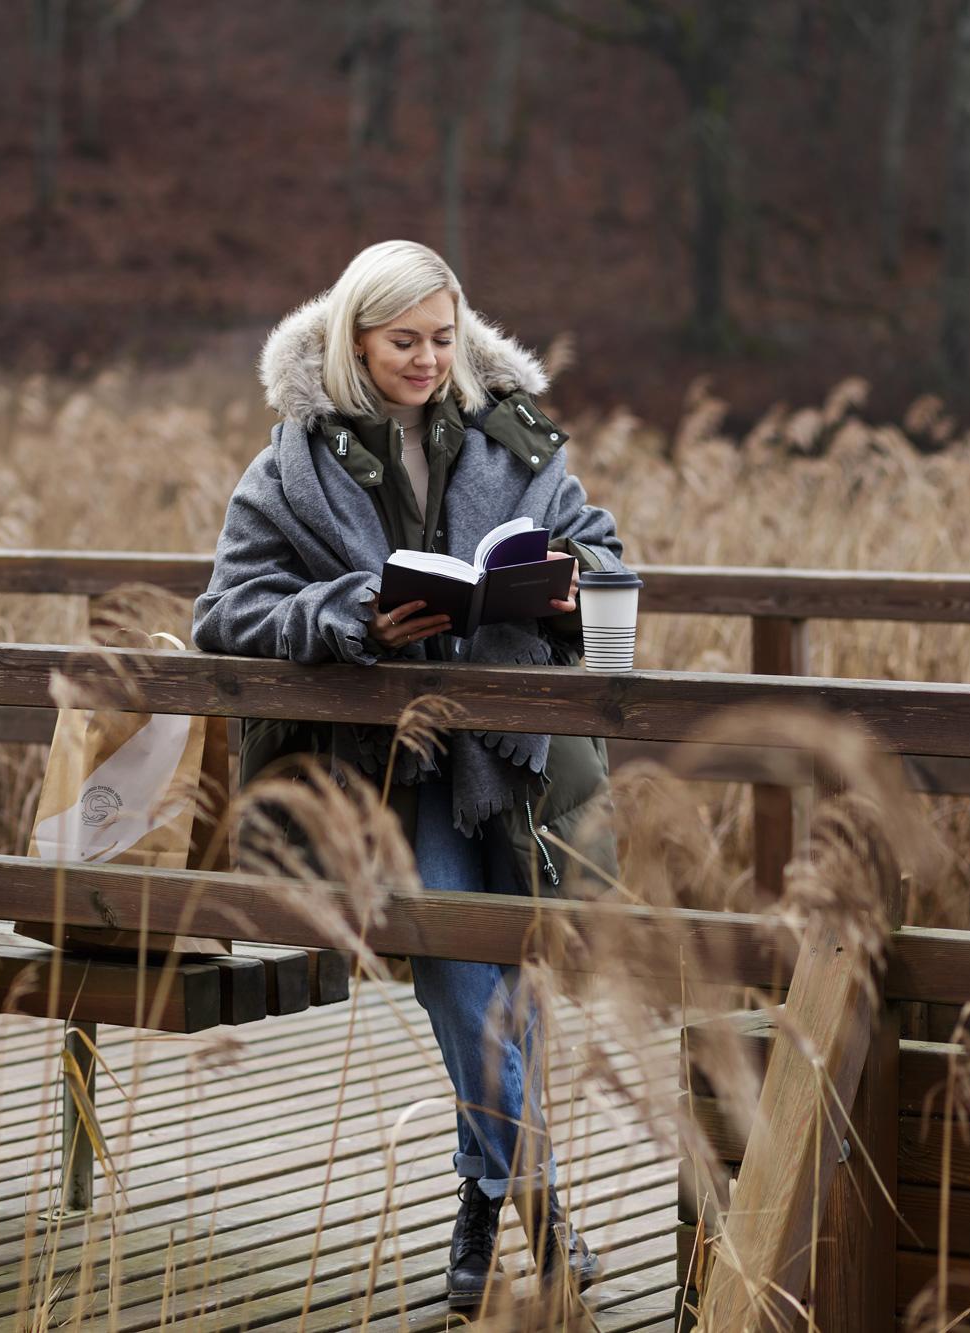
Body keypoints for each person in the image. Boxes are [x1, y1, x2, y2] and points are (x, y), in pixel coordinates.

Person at [192, 240, 627, 1310]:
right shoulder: (290, 463)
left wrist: (566, 592)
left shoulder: (513, 437)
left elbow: (609, 564)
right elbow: (225, 614)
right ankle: (537, 1200)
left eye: (441, 337)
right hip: (399, 771)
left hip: (520, 759)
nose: (427, 359)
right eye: (402, 342)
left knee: (514, 984)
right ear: (353, 339)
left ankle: (481, 1204)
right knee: (453, 974)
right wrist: (348, 614)